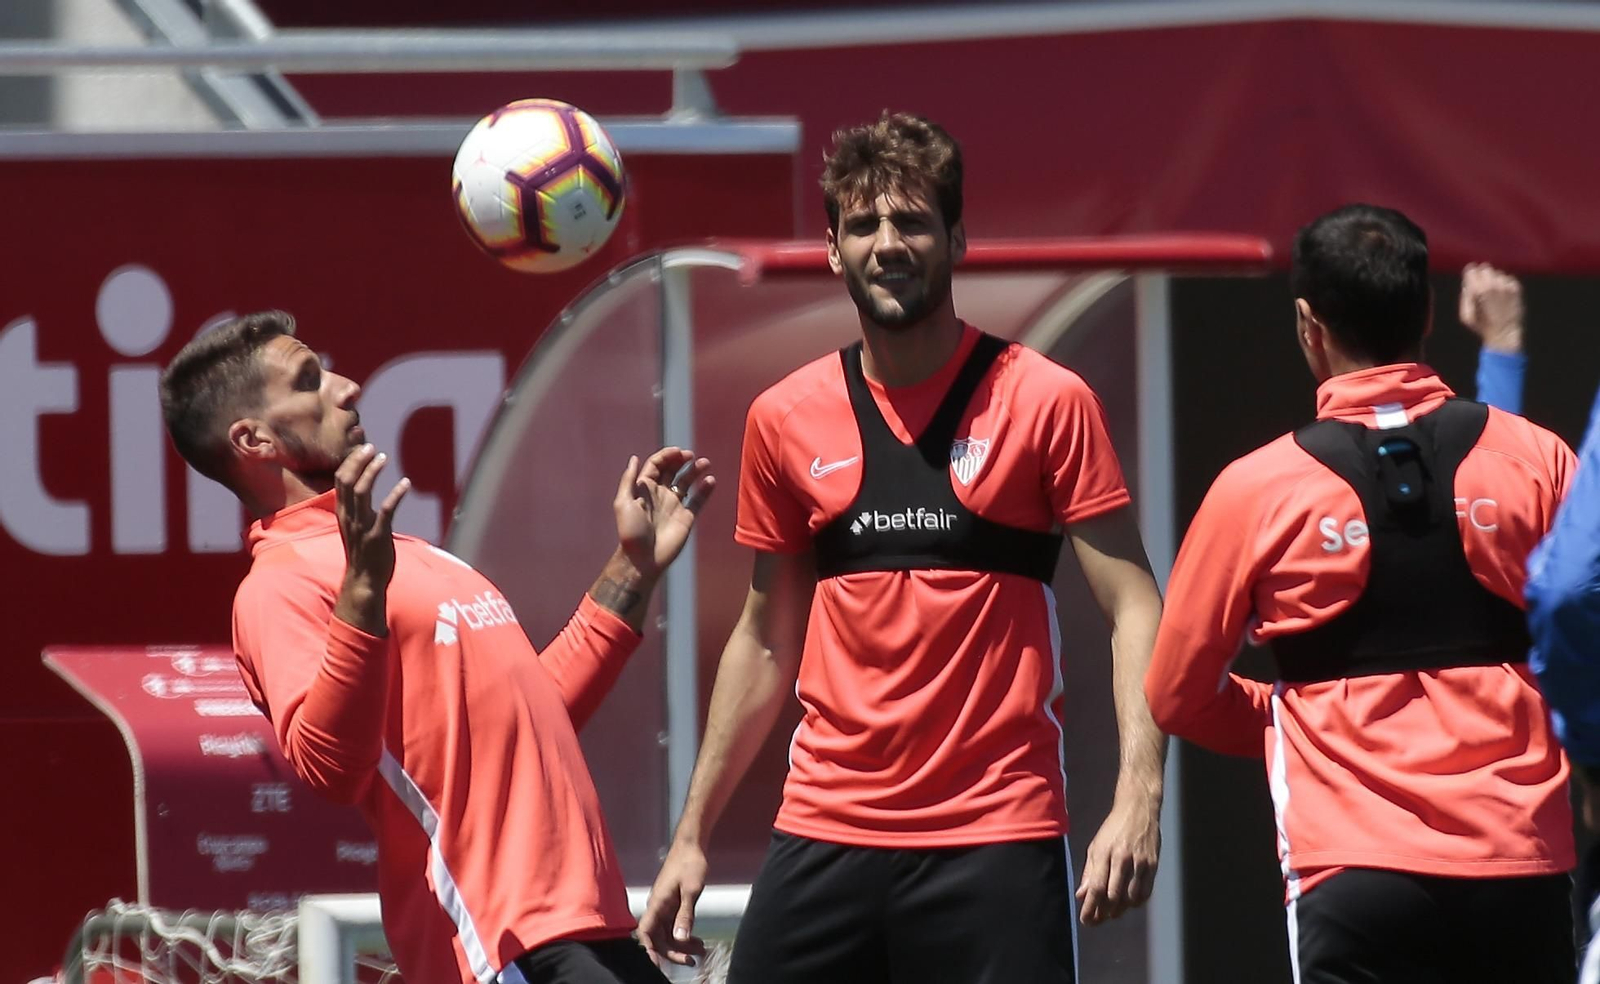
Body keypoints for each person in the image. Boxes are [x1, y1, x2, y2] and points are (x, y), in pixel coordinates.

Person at [639, 112, 1167, 984]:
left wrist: (1139, 799)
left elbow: (1135, 602)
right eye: (864, 226)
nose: (889, 245)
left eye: (913, 221)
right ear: (834, 251)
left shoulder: (1045, 401)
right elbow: (766, 636)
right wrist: (690, 837)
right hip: (824, 834)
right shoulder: (784, 415)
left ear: (957, 238)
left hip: (995, 839)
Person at [158, 311, 715, 984]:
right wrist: (362, 593)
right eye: (310, 381)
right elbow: (330, 769)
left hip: (580, 923)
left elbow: (538, 713)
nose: (348, 386)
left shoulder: (415, 556)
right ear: (253, 438)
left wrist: (632, 569)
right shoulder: (277, 586)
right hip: (491, 940)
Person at [1145, 204, 1576, 983]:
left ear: (1308, 324)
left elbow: (1175, 695)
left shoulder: (1255, 488)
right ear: (1430, 312)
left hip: (1351, 870)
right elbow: (1582, 614)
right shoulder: (1537, 459)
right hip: (1522, 861)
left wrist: (1290, 722)